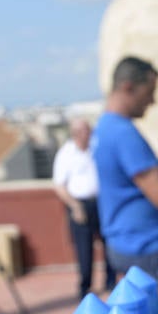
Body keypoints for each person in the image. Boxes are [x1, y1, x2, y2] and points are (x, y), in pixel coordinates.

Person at [91, 56, 158, 282]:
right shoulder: (124, 134)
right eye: (149, 92)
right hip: (147, 248)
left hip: (123, 243)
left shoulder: (104, 127)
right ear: (128, 87)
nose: (152, 101)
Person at [53, 118, 116, 300]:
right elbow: (59, 185)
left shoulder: (95, 149)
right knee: (84, 248)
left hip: (101, 202)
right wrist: (75, 206)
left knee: (108, 244)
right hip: (79, 204)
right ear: (76, 134)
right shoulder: (66, 154)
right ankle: (85, 287)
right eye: (84, 131)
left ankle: (111, 282)